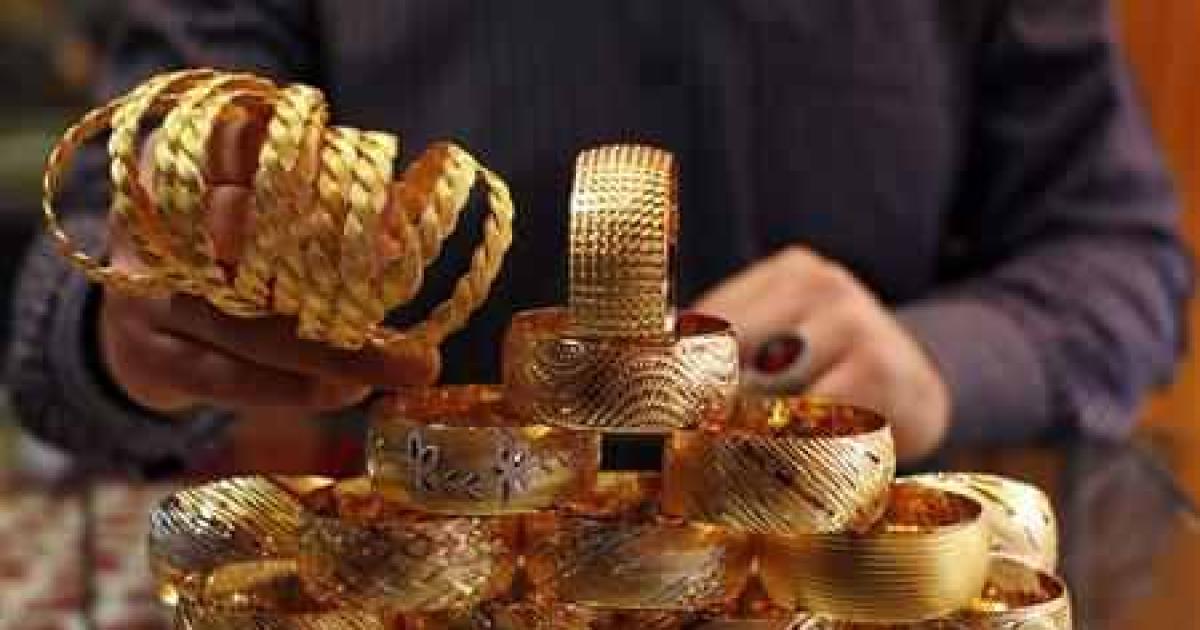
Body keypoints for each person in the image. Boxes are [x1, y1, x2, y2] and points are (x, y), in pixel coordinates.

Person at [6, 0, 1192, 476]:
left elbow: (1122, 254)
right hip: (436, 571)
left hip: (855, 562)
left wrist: (940, 362)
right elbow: (100, 248)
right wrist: (131, 331)